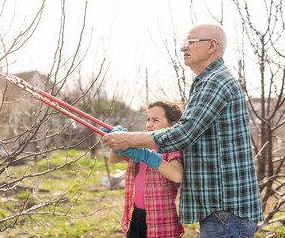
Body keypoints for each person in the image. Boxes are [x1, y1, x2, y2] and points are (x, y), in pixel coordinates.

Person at [102, 23, 263, 237]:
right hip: (221, 210)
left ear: (211, 46)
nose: (183, 48)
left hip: (226, 209)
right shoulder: (207, 82)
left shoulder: (216, 82)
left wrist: (131, 140)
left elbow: (183, 134)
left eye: (190, 42)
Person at [105, 101, 184, 238]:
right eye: (148, 119)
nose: (149, 124)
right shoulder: (141, 145)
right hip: (136, 215)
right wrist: (115, 139)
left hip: (161, 219)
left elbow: (177, 175)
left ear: (173, 125)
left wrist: (148, 157)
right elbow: (114, 159)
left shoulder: (171, 149)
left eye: (155, 120)